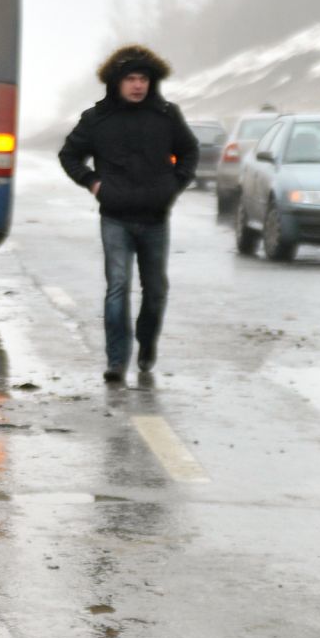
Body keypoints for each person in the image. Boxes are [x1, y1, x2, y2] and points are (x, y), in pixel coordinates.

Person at [58, 45, 199, 384]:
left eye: (143, 79)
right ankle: (116, 360)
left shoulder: (167, 115)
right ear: (116, 82)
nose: (138, 85)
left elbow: (190, 150)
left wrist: (174, 184)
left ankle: (147, 343)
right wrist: (93, 183)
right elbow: (70, 155)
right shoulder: (97, 119)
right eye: (131, 79)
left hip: (155, 218)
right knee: (118, 287)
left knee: (155, 290)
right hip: (115, 217)